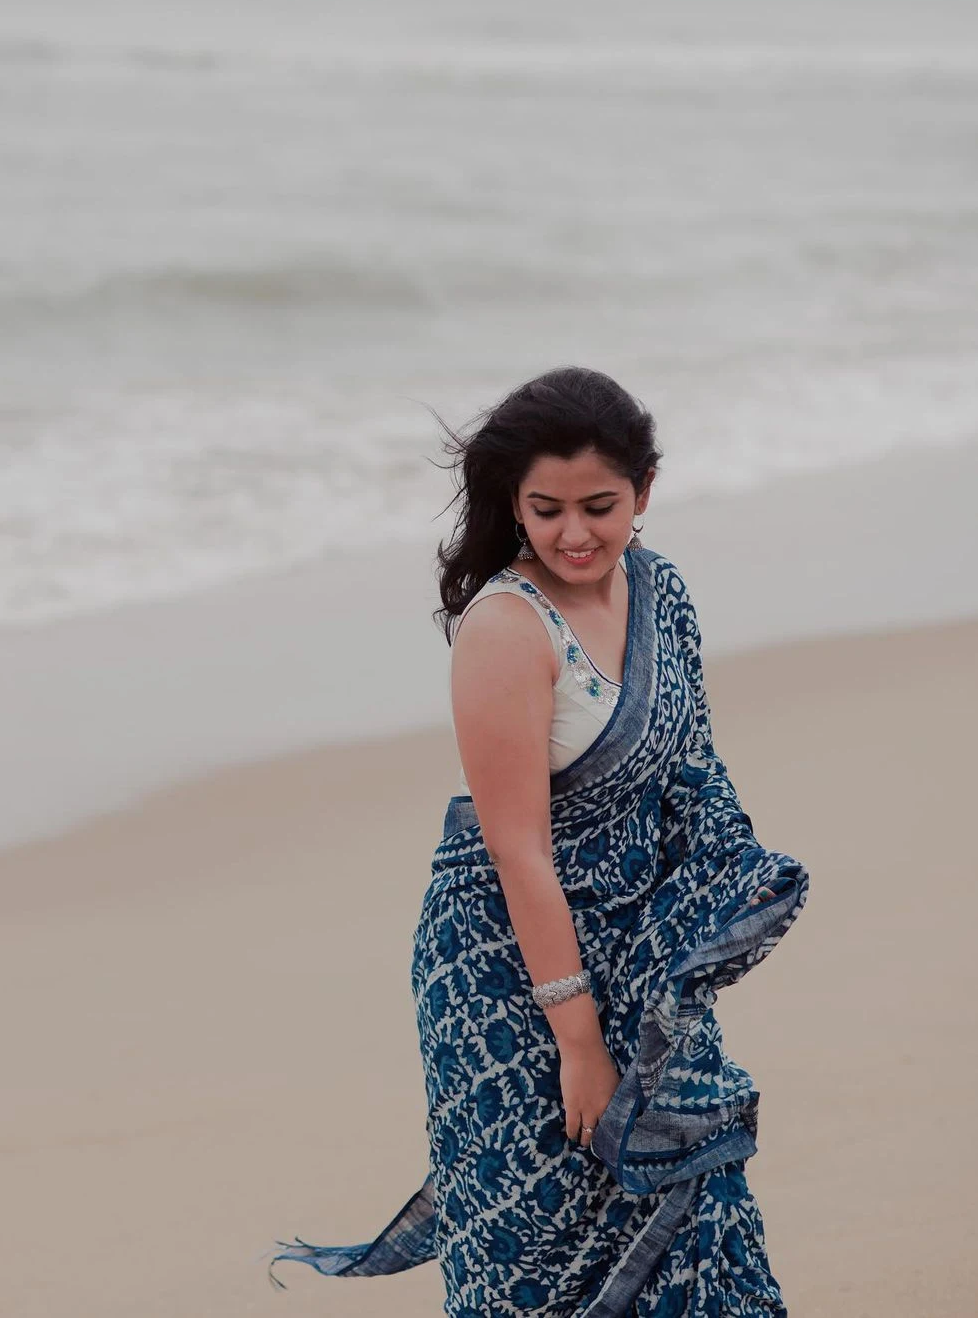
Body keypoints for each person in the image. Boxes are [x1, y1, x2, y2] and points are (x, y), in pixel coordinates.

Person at [269, 367, 810, 1315]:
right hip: (506, 971)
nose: (574, 534)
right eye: (546, 509)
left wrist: (708, 922)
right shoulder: (506, 629)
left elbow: (692, 769)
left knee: (690, 1199)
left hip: (636, 954)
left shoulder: (660, 591)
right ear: (514, 504)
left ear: (644, 490)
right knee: (536, 1241)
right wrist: (579, 1040)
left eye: (599, 506)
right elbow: (518, 850)